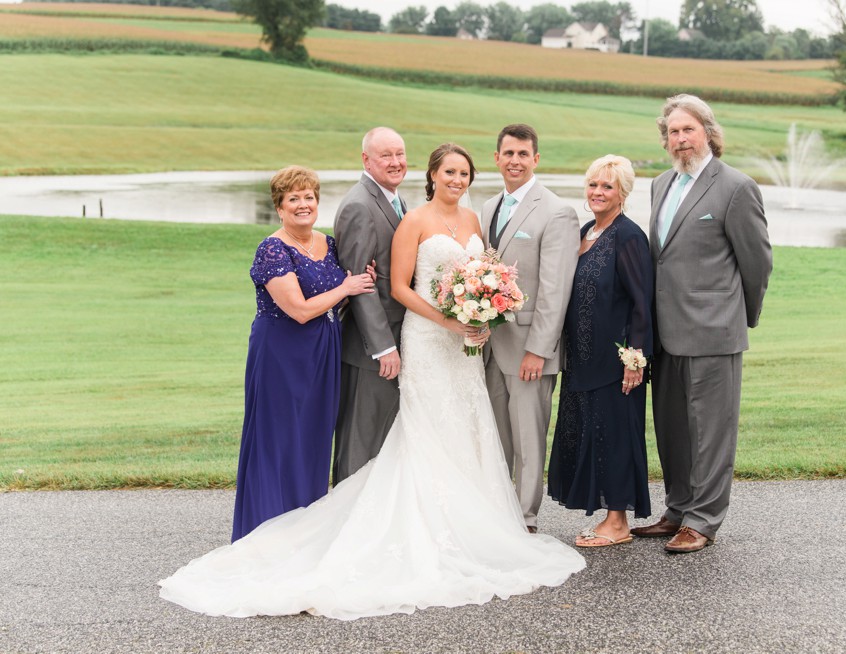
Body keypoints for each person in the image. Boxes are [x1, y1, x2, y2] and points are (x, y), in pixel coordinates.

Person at [159, 144, 585, 620]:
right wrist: (445, 323)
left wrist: (481, 312)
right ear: (433, 175)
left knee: (467, 427)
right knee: (420, 433)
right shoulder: (408, 218)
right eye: (449, 171)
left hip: (463, 349)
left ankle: (479, 526)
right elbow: (397, 286)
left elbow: (478, 275)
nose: (457, 179)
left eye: (464, 172)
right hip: (426, 338)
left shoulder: (474, 221)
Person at [630, 94, 773, 553]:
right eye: (672, 131)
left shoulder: (736, 187)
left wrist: (740, 318)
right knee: (672, 428)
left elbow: (757, 263)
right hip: (664, 333)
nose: (679, 139)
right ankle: (677, 508)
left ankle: (705, 519)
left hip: (714, 332)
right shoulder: (659, 185)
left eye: (687, 129)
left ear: (708, 132)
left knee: (711, 431)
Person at [231, 166, 376, 542]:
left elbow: (348, 288)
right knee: (279, 439)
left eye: (308, 197)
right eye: (292, 198)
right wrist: (347, 286)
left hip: (322, 353)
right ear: (279, 208)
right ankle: (266, 530)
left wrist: (363, 280)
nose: (302, 204)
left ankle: (307, 530)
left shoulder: (328, 244)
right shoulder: (272, 249)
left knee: (313, 437)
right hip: (281, 354)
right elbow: (298, 309)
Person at [548, 155, 654, 547]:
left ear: (623, 193)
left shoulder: (628, 236)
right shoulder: (586, 231)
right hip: (581, 358)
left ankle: (618, 522)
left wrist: (634, 359)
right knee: (591, 433)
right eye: (593, 184)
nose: (597, 192)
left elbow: (642, 303)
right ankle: (608, 518)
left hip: (615, 362)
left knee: (615, 436)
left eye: (607, 186)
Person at [481, 124, 580, 533]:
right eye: (508, 153)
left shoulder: (556, 210)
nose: (515, 161)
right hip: (488, 344)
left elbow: (556, 289)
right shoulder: (487, 207)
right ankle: (497, 510)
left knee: (527, 438)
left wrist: (539, 349)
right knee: (496, 435)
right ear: (497, 158)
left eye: (523, 154)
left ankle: (525, 518)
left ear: (536, 159)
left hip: (528, 349)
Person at [332, 127, 408, 485]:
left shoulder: (394, 199)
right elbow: (360, 285)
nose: (395, 162)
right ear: (366, 160)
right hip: (370, 350)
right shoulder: (359, 205)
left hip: (398, 336)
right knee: (361, 442)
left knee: (384, 439)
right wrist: (383, 348)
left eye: (400, 153)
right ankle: (347, 521)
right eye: (386, 155)